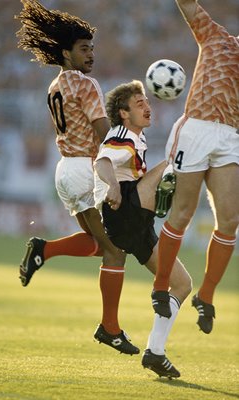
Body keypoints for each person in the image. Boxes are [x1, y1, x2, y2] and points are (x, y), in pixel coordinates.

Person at [15, 0, 139, 356]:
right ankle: (110, 328)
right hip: (85, 169)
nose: (91, 55)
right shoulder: (87, 85)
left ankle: (44, 249)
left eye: (92, 48)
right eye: (84, 49)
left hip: (66, 170)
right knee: (116, 252)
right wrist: (127, 166)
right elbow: (104, 134)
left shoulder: (55, 85)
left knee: (100, 245)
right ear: (66, 52)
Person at [94, 80, 192, 378]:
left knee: (183, 283)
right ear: (123, 113)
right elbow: (103, 160)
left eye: (147, 102)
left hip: (138, 224)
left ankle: (155, 351)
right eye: (139, 104)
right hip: (124, 212)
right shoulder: (123, 134)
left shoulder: (137, 137)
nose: (148, 107)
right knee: (178, 156)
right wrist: (112, 186)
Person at [152, 0, 239, 334]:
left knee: (230, 220)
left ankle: (206, 295)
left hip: (230, 137)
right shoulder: (216, 37)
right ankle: (161, 286)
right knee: (183, 212)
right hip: (198, 128)